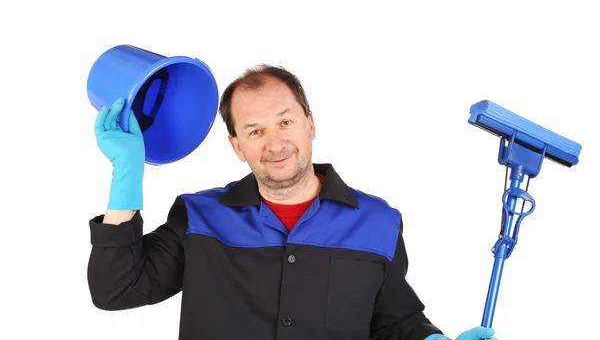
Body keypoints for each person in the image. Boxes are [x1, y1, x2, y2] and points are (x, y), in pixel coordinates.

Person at [88, 64, 498, 340]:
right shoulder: (199, 218)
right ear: (237, 146)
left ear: (310, 123)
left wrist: (432, 339)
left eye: (285, 122)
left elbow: (393, 321)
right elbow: (116, 290)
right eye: (255, 131)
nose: (276, 143)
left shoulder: (378, 222)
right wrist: (127, 173)